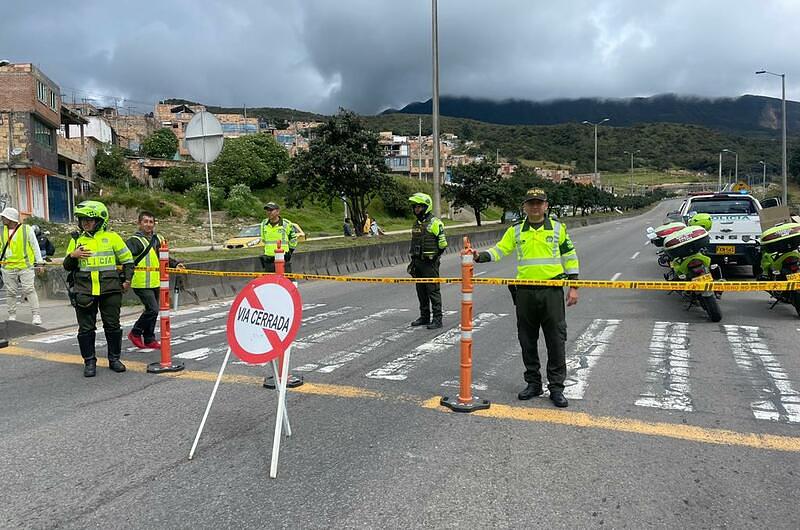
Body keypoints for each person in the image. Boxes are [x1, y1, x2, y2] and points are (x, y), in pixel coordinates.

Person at [472, 188, 580, 408]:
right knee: (527, 340)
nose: (535, 207)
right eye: (531, 203)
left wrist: (574, 286)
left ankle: (556, 388)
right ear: (524, 207)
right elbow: (500, 250)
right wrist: (480, 256)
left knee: (556, 341)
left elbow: (570, 256)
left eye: (539, 203)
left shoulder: (558, 229)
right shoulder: (516, 230)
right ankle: (533, 383)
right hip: (525, 292)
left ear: (546, 205)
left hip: (551, 291)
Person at [63, 201, 134, 377]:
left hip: (110, 290)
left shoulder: (112, 238)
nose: (85, 222)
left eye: (89, 219)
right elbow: (67, 266)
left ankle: (114, 359)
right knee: (86, 329)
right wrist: (73, 255)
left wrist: (127, 280)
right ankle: (89, 361)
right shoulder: (76, 240)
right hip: (85, 291)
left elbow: (128, 261)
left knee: (113, 326)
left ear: (100, 221)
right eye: (82, 219)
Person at [125, 210, 184, 350]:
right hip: (141, 282)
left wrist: (175, 264)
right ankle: (135, 332)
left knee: (153, 310)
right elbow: (125, 261)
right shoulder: (134, 241)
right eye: (145, 221)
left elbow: (163, 257)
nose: (148, 224)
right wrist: (125, 279)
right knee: (153, 309)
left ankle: (149, 338)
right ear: (139, 223)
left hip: (157, 281)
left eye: (151, 222)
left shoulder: (158, 239)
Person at [407, 192, 447, 329]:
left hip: (430, 263)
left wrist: (435, 257)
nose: (416, 210)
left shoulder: (435, 223)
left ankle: (437, 319)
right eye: (415, 207)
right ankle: (424, 317)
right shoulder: (416, 224)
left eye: (419, 207)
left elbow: (443, 244)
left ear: (426, 207)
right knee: (421, 291)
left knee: (433, 291)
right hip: (417, 262)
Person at [0, 208, 44, 325]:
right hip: (7, 267)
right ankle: (12, 315)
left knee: (29, 290)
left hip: (25, 266)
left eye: (4, 217)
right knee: (10, 292)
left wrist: (39, 262)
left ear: (10, 219)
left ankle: (36, 315)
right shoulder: (1, 231)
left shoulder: (26, 229)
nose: (2, 219)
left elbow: (35, 246)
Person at [260, 202, 298, 273]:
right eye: (267, 210)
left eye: (271, 210)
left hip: (282, 259)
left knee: (287, 282)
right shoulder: (263, 224)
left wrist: (290, 252)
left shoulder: (286, 224)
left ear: (278, 211)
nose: (268, 212)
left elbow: (293, 239)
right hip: (269, 260)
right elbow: (264, 239)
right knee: (270, 283)